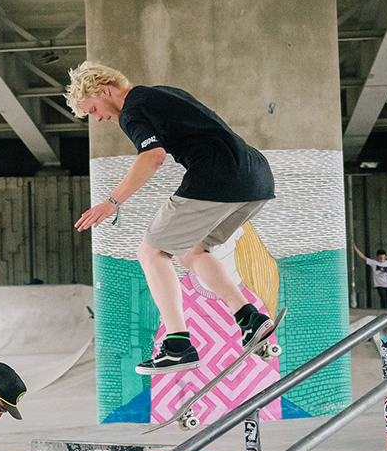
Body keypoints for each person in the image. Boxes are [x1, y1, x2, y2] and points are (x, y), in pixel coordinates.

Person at [68, 62, 275, 374]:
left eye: (94, 109)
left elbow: (153, 155)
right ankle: (250, 318)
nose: (97, 118)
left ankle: (178, 344)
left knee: (151, 252)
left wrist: (112, 202)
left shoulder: (132, 110)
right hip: (256, 178)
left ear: (104, 90)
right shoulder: (161, 93)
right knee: (191, 250)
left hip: (216, 176)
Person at [353, 245, 387, 310]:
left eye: (382, 255)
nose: (381, 256)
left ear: (385, 256)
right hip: (380, 284)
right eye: (379, 255)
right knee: (383, 298)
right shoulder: (374, 263)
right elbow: (363, 257)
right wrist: (355, 247)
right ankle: (384, 310)